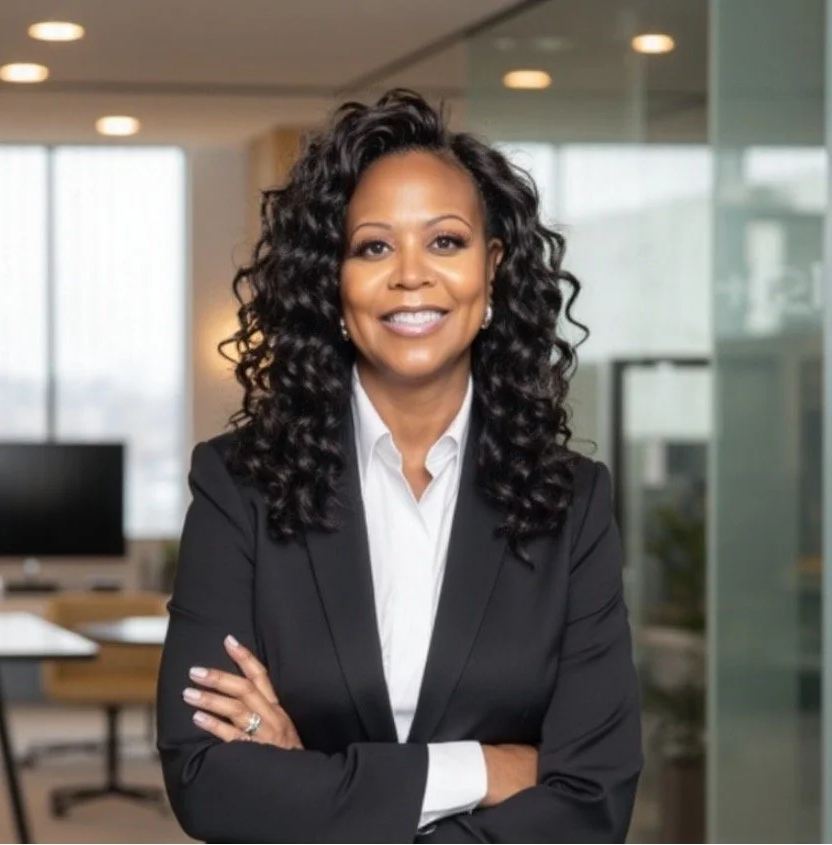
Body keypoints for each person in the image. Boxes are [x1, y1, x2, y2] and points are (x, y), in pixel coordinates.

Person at [156, 88, 641, 843]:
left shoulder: (570, 505)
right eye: (373, 246)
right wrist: (485, 769)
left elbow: (591, 800)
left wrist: (315, 778)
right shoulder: (238, 484)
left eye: (444, 241)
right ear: (334, 282)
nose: (410, 274)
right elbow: (206, 780)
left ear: (493, 269)